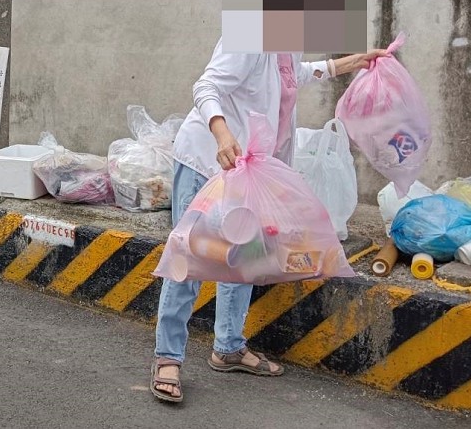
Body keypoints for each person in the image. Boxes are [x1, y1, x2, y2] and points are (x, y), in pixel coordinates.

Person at [150, 40, 389, 404]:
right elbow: (207, 85)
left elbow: (292, 75)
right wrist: (222, 132)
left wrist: (351, 63)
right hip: (209, 159)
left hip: (252, 170)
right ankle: (168, 357)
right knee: (189, 259)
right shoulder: (248, 30)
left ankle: (228, 348)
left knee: (246, 257)